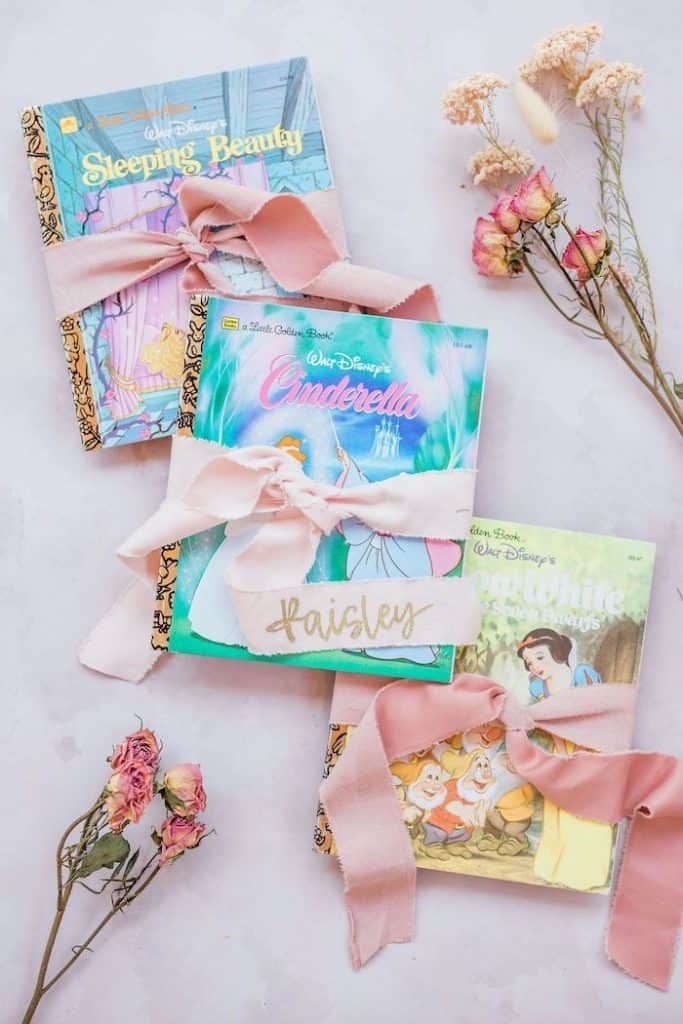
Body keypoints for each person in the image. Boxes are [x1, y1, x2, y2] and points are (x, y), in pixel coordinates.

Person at [334, 446, 461, 665]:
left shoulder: (411, 530)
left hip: (398, 567)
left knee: (397, 603)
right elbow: (360, 492)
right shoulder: (373, 518)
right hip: (371, 562)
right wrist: (349, 465)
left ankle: (400, 647)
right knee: (364, 597)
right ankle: (359, 638)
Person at [516, 627, 613, 890]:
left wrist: (584, 753)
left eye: (539, 657)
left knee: (582, 808)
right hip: (559, 752)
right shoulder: (538, 686)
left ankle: (584, 872)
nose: (535, 666)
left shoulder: (581, 674)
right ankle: (553, 866)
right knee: (556, 807)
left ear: (556, 652)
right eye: (529, 663)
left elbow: (599, 714)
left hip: (588, 751)